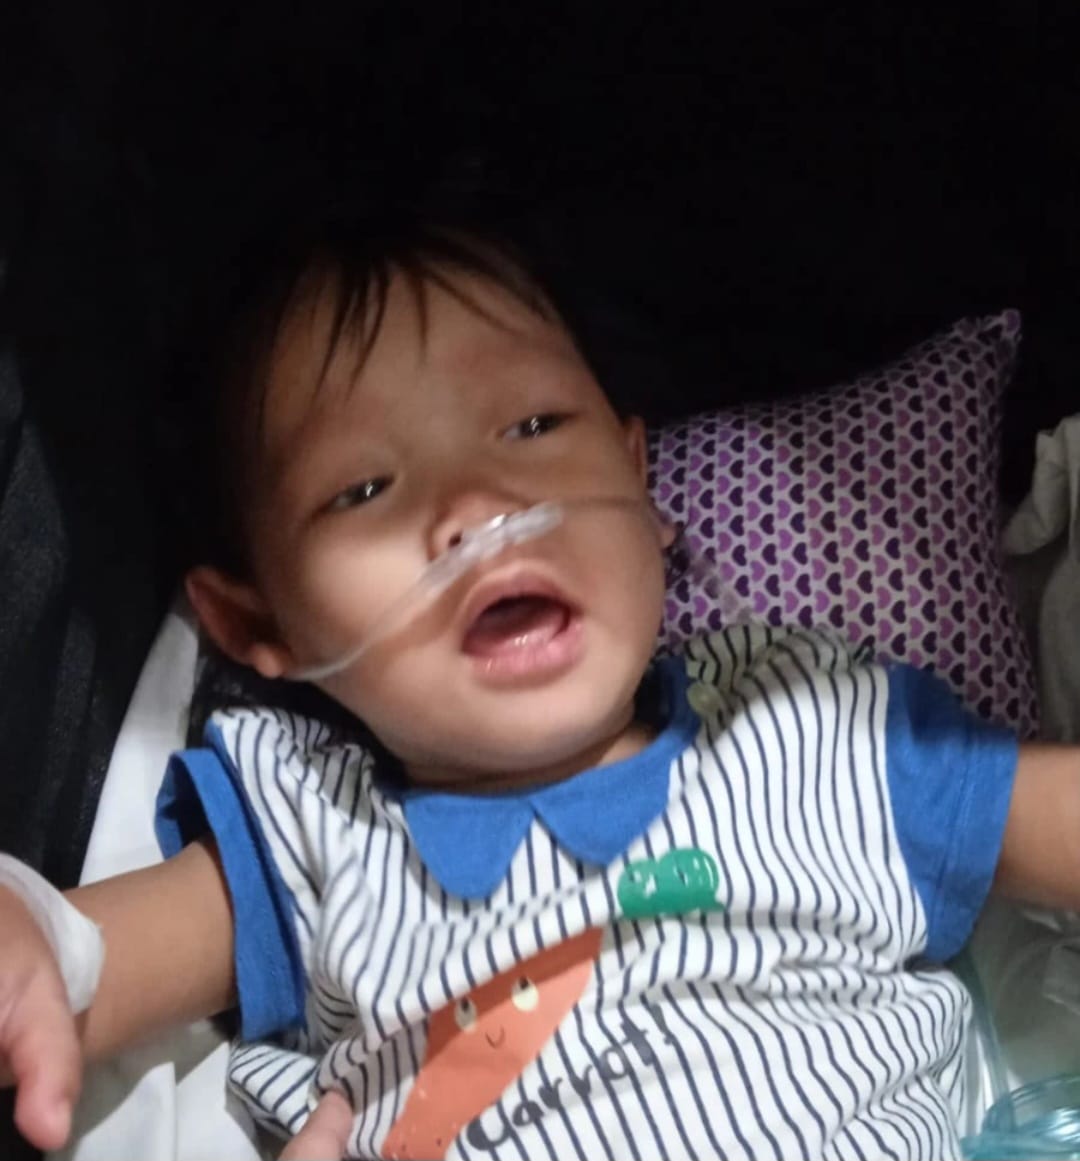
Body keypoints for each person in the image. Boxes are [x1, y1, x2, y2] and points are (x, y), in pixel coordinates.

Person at [1, 217, 1079, 1161]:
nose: (479, 506)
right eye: (366, 488)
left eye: (533, 427)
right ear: (257, 625)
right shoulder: (312, 830)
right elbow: (75, 958)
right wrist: (28, 938)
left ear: (638, 484)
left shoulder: (813, 729)